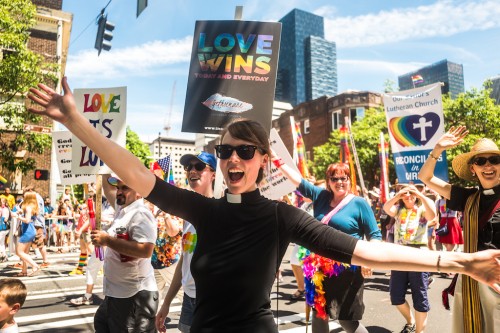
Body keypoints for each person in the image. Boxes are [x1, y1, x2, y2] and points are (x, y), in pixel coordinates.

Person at [27, 78, 500, 333]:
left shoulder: (280, 216)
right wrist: (75, 120)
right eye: (225, 151)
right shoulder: (205, 210)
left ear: (262, 162)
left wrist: (458, 261)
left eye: (244, 152)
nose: (233, 158)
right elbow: (136, 174)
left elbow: (364, 251)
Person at [274, 156, 382, 333]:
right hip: (319, 270)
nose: (339, 182)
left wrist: (367, 261)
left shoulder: (359, 203)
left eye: (343, 178)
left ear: (348, 180)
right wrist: (275, 158)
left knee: (347, 320)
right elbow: (297, 180)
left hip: (348, 271)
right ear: (328, 182)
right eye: (334, 178)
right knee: (319, 314)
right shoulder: (321, 197)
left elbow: (375, 235)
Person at [419, 126, 500, 333]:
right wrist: (436, 149)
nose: (488, 165)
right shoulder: (467, 197)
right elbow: (425, 177)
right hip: (471, 278)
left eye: (494, 160)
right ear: (473, 168)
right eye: (480, 161)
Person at [156, 151, 217, 333]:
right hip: (189, 299)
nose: (192, 170)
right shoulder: (187, 216)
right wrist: (166, 303)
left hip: (211, 300)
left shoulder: (220, 211)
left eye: (199, 166)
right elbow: (184, 260)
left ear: (213, 174)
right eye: (188, 167)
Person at [89, 174, 158, 332]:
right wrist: (102, 159)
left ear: (139, 192)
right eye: (118, 187)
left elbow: (146, 249)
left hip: (134, 295)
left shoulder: (140, 213)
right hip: (117, 293)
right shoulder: (122, 209)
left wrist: (107, 241)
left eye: (125, 187)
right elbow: (107, 188)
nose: (119, 191)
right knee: (101, 322)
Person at [383, 184, 436, 333]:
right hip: (400, 253)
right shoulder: (398, 210)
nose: (409, 195)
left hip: (419, 254)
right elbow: (386, 208)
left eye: (411, 193)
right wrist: (397, 195)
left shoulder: (422, 209)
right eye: (406, 193)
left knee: (419, 296)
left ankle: (419, 331)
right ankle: (410, 321)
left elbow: (432, 214)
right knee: (396, 295)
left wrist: (420, 195)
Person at [12, 191, 40, 277]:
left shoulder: (28, 207)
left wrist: (18, 217)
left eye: (24, 197)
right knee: (25, 253)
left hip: (28, 231)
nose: (23, 198)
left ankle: (34, 265)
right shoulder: (32, 207)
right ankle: (24, 271)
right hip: (31, 230)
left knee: (19, 252)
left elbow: (27, 220)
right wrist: (20, 212)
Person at [0, 198, 11, 263]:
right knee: (1, 243)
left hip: (2, 227)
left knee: (1, 242)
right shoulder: (7, 209)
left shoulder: (4, 209)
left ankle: (3, 256)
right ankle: (4, 255)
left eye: (3, 202)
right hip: (5, 228)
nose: (2, 203)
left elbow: (5, 219)